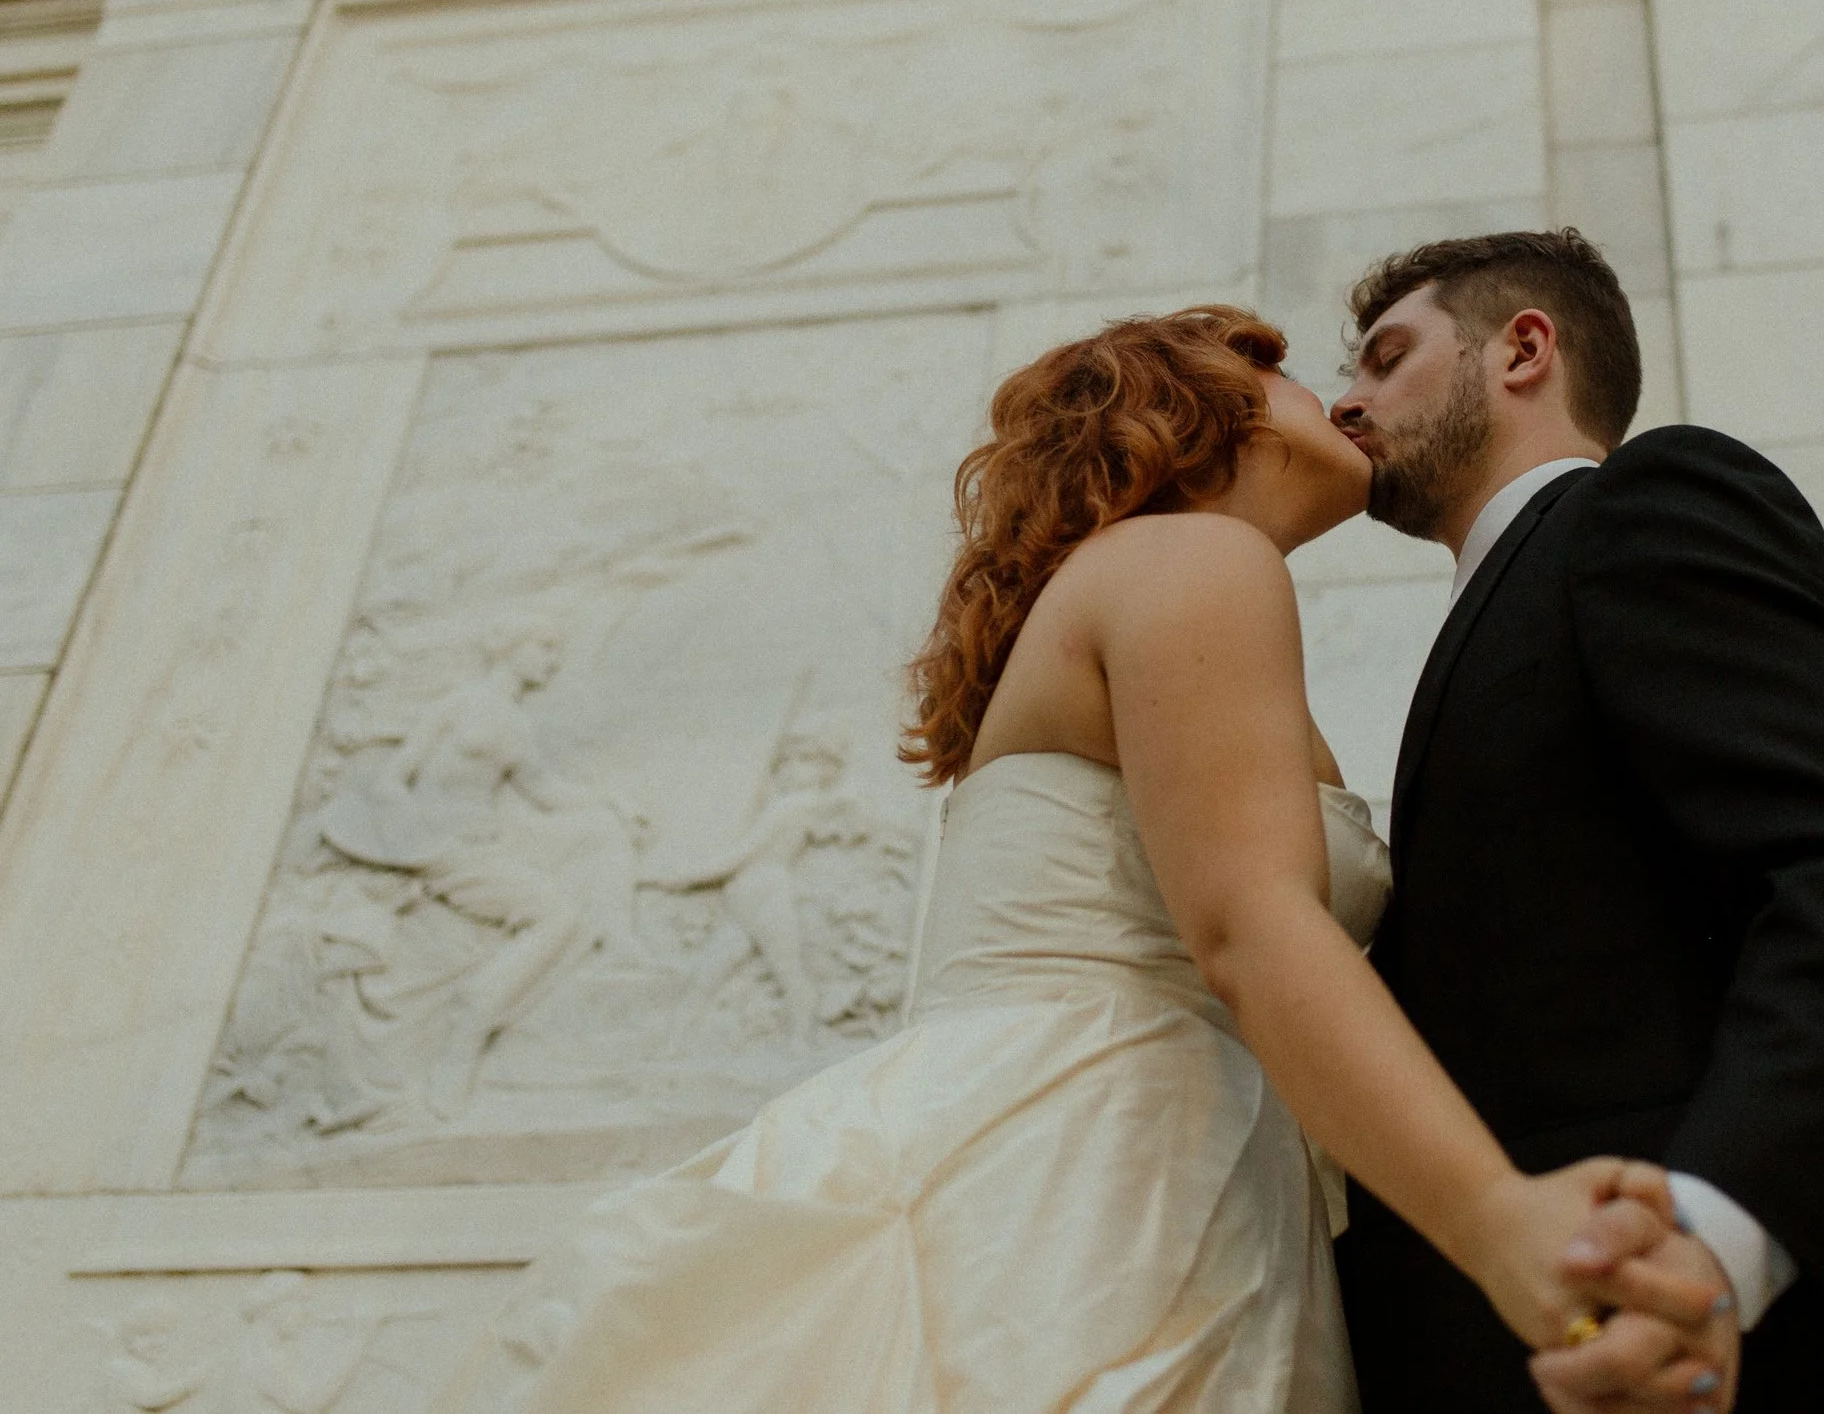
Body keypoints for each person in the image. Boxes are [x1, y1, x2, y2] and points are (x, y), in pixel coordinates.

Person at [424, 306, 1698, 1413]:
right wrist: (1494, 1218)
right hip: (1075, 1169)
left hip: (1156, 1158)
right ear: (1213, 408)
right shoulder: (1193, 557)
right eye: (1298, 371)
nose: (1346, 398)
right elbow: (1250, 925)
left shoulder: (1166, 590)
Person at [1326, 230, 1824, 1413]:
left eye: (1388, 357)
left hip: (1798, 1343)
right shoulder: (1495, 605)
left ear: (1524, 348)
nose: (1347, 400)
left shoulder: (1650, 500)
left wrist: (1718, 1235)